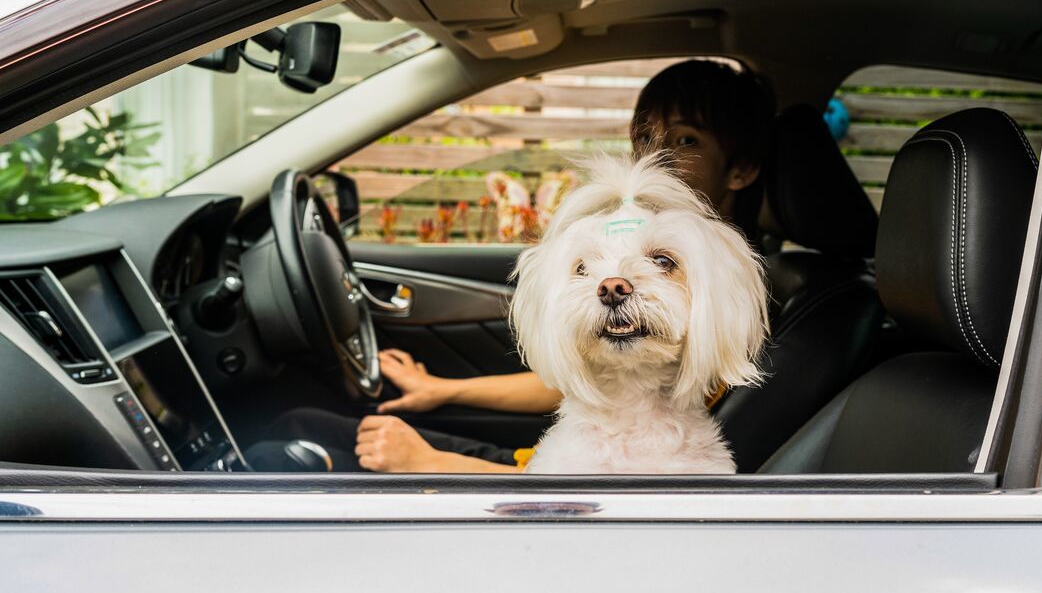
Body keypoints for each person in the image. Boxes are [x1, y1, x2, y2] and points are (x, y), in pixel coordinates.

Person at [263, 59, 775, 473]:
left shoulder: (720, 287)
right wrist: (444, 390)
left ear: (743, 168)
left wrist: (432, 464)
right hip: (566, 458)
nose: (655, 158)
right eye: (645, 140)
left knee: (296, 440)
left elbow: (580, 503)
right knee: (303, 423)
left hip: (553, 479)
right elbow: (586, 380)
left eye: (685, 141)